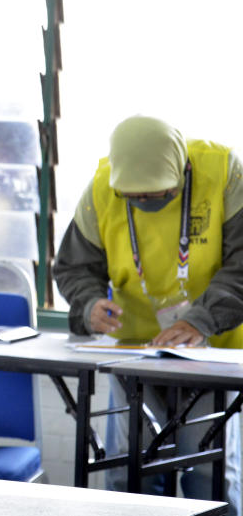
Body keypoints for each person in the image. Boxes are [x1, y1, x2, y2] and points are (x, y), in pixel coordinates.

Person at [54, 115, 243, 510]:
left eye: (159, 194)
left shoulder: (225, 174)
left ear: (184, 171)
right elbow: (74, 268)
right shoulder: (103, 189)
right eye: (134, 197)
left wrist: (200, 320)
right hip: (136, 354)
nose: (145, 203)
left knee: (210, 478)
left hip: (212, 352)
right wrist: (89, 305)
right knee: (129, 478)